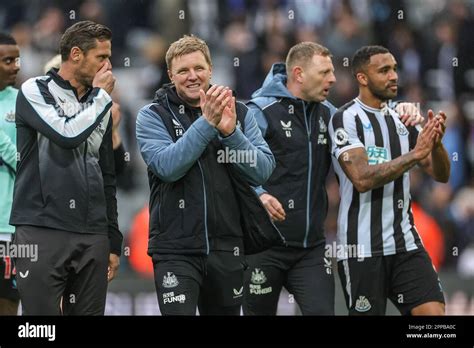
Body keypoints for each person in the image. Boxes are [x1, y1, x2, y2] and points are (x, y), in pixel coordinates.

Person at [242, 42, 424, 315]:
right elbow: (234, 164)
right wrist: (259, 194)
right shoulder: (260, 111)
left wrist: (400, 110)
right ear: (299, 74)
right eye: (324, 72)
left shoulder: (330, 115)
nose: (333, 78)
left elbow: (366, 122)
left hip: (311, 249)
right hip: (263, 245)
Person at [136, 35, 283, 315]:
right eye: (183, 71)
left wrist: (230, 133)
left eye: (199, 68)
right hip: (175, 250)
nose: (193, 76)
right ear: (170, 75)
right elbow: (167, 167)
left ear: (211, 69)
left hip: (227, 248)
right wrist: (207, 123)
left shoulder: (239, 112)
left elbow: (263, 169)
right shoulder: (152, 115)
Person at [10, 20, 123, 315]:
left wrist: (113, 239)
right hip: (42, 229)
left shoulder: (99, 103)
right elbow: (67, 135)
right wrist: (101, 98)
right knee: (40, 328)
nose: (108, 65)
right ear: (75, 54)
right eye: (101, 57)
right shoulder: (35, 89)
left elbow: (107, 174)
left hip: (93, 233)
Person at [328, 45, 450, 315]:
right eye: (383, 70)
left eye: (394, 69)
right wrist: (416, 154)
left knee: (434, 319)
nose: (394, 76)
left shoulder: (403, 118)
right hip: (361, 248)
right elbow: (361, 178)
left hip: (405, 242)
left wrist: (437, 145)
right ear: (362, 78)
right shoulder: (345, 119)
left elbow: (441, 175)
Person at [0, 32, 20, 315]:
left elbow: (30, 164)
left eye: (17, 59)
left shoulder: (24, 102)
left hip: (10, 227)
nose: (16, 65)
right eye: (7, 60)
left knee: (7, 305)